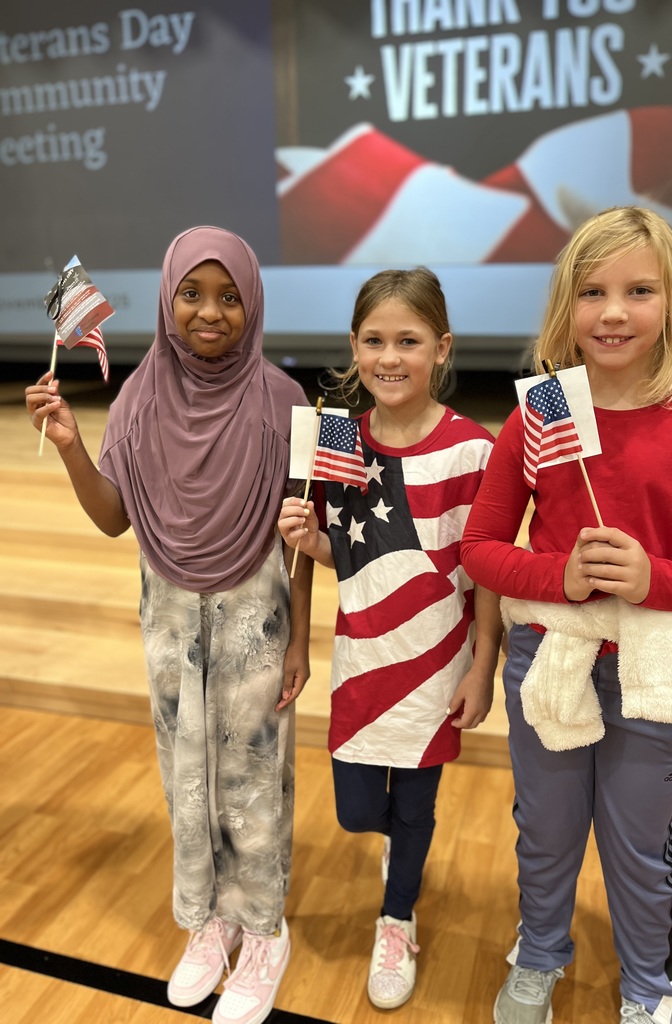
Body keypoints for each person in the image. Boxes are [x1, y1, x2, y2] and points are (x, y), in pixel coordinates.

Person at [461, 206, 672, 1024]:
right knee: (547, 831)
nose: (614, 312)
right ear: (566, 306)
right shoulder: (542, 414)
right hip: (549, 659)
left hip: (656, 667)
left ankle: (646, 986)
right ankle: (539, 955)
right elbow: (482, 547)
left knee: (637, 843)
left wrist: (654, 579)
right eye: (591, 292)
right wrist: (557, 576)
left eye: (639, 290)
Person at [25, 226, 314, 1024]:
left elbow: (301, 535)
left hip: (256, 616)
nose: (209, 312)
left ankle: (262, 929)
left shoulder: (283, 403)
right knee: (186, 776)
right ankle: (209, 920)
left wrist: (300, 638)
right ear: (167, 299)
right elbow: (117, 519)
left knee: (252, 781)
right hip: (169, 621)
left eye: (228, 296)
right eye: (192, 293)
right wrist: (73, 445)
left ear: (252, 302)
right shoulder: (140, 396)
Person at [277, 267, 502, 1010]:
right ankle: (399, 863)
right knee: (354, 811)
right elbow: (342, 552)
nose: (389, 357)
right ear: (352, 346)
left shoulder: (474, 449)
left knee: (415, 809)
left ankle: (398, 915)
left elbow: (488, 572)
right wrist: (306, 545)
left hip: (440, 664)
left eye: (409, 340)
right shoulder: (338, 438)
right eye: (374, 340)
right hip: (361, 662)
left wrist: (483, 668)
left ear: (442, 348)